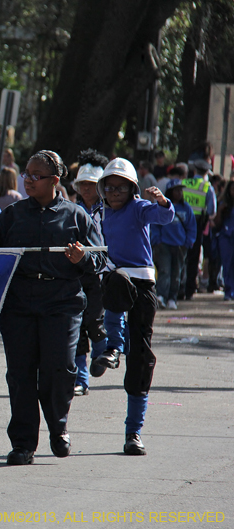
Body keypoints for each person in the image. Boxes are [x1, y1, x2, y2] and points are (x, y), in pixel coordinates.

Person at [0, 150, 106, 465]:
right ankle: (23, 444)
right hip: (19, 304)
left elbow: (101, 259)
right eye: (26, 173)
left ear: (55, 181)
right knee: (20, 374)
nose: (28, 180)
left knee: (59, 368)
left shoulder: (76, 216)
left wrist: (83, 258)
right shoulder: (11, 215)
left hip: (62, 302)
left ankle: (59, 426)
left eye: (35, 176)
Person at [90, 158, 174, 456]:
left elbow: (164, 218)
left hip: (143, 283)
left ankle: (133, 433)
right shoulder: (100, 213)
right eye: (109, 187)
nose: (114, 193)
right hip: (116, 278)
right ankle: (112, 347)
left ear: (132, 189)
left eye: (121, 188)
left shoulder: (138, 208)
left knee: (141, 357)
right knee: (115, 279)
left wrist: (162, 200)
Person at [71, 149, 108, 397]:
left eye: (91, 185)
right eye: (82, 184)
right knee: (76, 324)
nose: (86, 189)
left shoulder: (110, 210)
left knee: (95, 319)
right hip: (77, 272)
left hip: (102, 274)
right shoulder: (71, 210)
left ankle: (101, 354)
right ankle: (81, 378)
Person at [153, 179, 196, 308]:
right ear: (170, 192)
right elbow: (155, 225)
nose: (179, 193)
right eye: (176, 190)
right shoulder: (163, 207)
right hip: (164, 244)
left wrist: (188, 242)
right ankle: (161, 295)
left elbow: (191, 227)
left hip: (180, 245)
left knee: (177, 273)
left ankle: (173, 298)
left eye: (180, 191)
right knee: (165, 271)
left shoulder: (186, 208)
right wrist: (157, 240)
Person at [182, 158, 216, 299]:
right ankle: (189, 290)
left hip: (180, 222)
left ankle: (178, 287)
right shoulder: (207, 186)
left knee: (180, 255)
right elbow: (212, 211)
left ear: (194, 171)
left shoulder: (184, 183)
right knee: (193, 257)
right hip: (196, 225)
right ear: (207, 172)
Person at [212, 180, 234, 300]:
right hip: (226, 237)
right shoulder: (224, 204)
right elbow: (217, 224)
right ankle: (229, 290)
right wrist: (220, 211)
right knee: (227, 265)